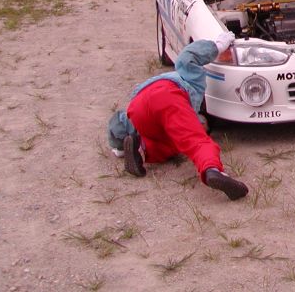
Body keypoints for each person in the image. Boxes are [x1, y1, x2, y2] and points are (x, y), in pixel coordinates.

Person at [106, 35, 249, 201]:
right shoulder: (191, 81)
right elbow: (187, 57)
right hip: (169, 95)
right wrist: (218, 45)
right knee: (197, 142)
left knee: (168, 146)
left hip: (138, 106)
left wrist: (118, 147)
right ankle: (212, 170)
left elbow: (119, 122)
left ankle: (138, 149)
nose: (203, 126)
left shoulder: (174, 123)